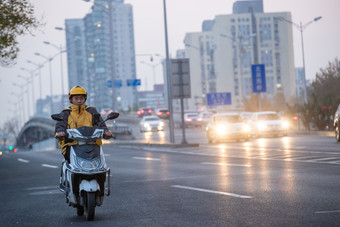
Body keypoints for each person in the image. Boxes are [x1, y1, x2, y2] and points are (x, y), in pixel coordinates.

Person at [54, 86, 112, 188]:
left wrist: (106, 131)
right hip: (72, 144)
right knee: (70, 163)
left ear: (85, 98)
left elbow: (100, 124)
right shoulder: (65, 113)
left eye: (81, 98)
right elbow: (60, 125)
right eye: (76, 98)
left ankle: (101, 185)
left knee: (101, 166)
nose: (79, 101)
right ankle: (68, 183)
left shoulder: (92, 111)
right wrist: (60, 132)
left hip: (92, 143)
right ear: (71, 99)